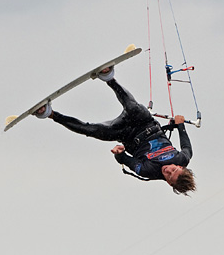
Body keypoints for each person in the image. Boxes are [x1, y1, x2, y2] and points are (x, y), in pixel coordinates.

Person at [35, 66, 196, 195]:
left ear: (168, 183)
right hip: (145, 123)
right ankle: (108, 77)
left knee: (91, 130)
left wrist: (119, 153)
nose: (167, 170)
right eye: (173, 170)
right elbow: (187, 147)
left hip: (126, 135)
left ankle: (50, 114)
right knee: (133, 107)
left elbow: (125, 160)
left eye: (168, 176)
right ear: (180, 167)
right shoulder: (183, 158)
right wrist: (180, 125)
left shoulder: (148, 171)